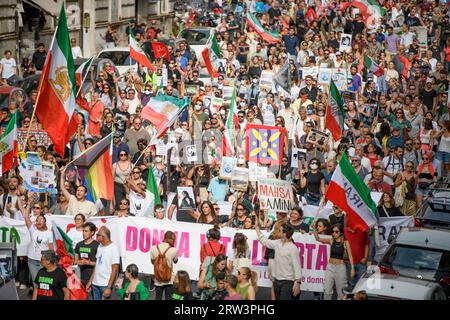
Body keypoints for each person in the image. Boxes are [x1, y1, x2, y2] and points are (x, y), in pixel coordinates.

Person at [255, 220, 301, 300]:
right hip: (276, 281)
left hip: (287, 282)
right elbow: (265, 241)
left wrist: (298, 283)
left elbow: (297, 267)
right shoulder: (278, 243)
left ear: (285, 234)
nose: (277, 231)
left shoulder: (293, 248)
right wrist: (257, 229)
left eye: (280, 230)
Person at [314, 224, 354, 300]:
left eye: (336, 232)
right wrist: (314, 229)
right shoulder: (331, 240)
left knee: (341, 292)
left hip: (340, 268)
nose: (334, 233)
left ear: (341, 232)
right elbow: (318, 238)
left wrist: (352, 268)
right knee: (327, 290)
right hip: (330, 267)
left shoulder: (345, 242)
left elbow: (350, 255)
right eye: (332, 231)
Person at [86, 226, 120, 300]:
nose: (96, 236)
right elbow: (97, 265)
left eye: (98, 235)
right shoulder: (100, 246)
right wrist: (90, 281)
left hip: (105, 285)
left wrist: (109, 287)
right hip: (95, 284)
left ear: (103, 236)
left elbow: (114, 270)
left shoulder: (113, 248)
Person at [150, 231, 178, 300]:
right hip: (169, 279)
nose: (174, 242)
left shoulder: (154, 248)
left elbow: (152, 261)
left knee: (158, 297)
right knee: (169, 298)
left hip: (158, 278)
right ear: (169, 239)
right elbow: (175, 261)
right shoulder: (173, 250)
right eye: (173, 240)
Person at [74, 222, 99, 288]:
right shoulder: (79, 244)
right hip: (79, 278)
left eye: (86, 231)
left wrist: (89, 263)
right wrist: (79, 262)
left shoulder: (97, 245)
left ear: (92, 232)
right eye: (83, 231)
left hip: (93, 279)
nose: (84, 233)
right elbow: (75, 261)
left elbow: (100, 264)